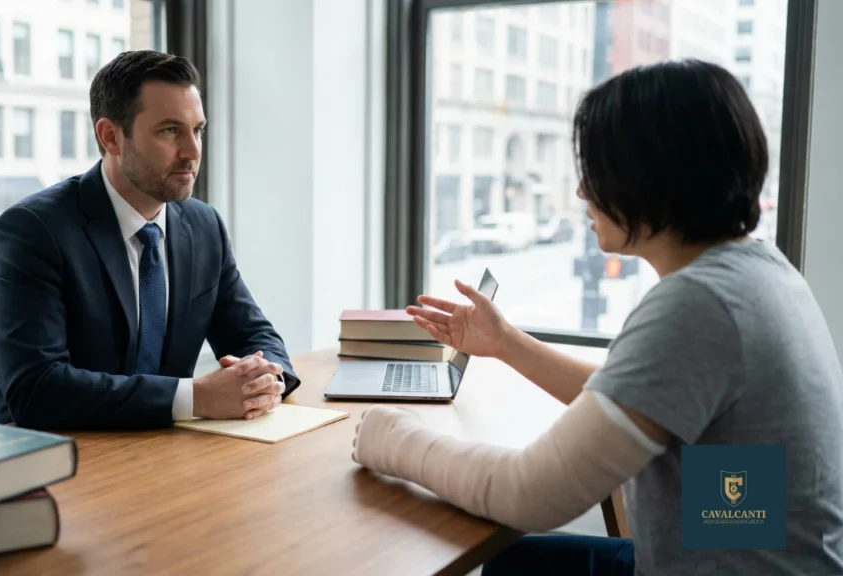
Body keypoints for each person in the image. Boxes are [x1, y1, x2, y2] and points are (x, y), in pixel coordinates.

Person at [352, 59, 843, 574]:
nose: (583, 191)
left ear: (651, 176)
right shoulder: (758, 270)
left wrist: (390, 438)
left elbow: (528, 494)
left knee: (507, 562)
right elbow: (644, 398)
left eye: (597, 171)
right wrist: (505, 342)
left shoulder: (700, 305)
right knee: (514, 564)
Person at [0, 51, 299, 429]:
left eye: (197, 130)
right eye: (170, 130)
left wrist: (266, 379)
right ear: (111, 136)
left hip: (158, 447)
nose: (193, 152)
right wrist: (196, 397)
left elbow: (253, 333)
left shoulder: (203, 225)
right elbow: (36, 389)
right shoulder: (35, 230)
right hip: (49, 451)